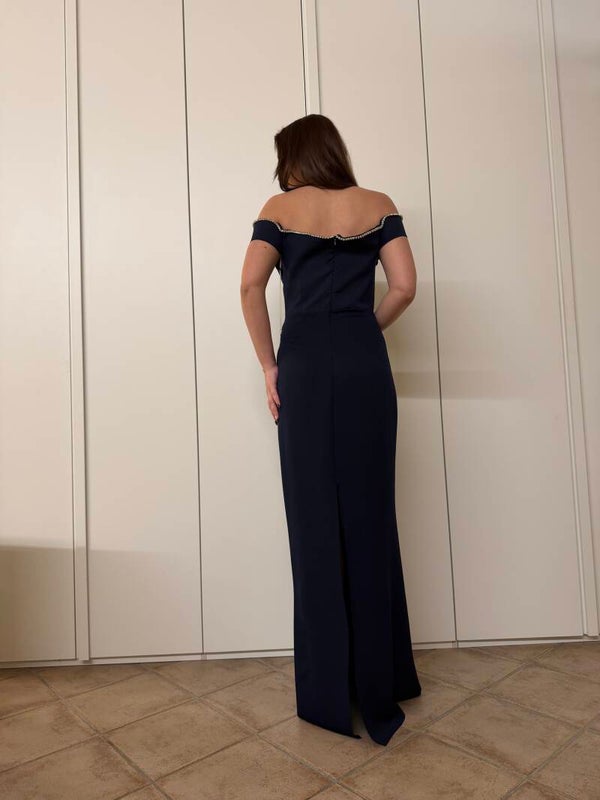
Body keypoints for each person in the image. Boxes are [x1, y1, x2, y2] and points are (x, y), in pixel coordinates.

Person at [240, 114, 421, 746]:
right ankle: (381, 680)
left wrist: (269, 366)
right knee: (370, 516)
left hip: (306, 365)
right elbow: (405, 286)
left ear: (294, 157)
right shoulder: (379, 204)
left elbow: (250, 284)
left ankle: (328, 691)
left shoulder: (279, 208)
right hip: (365, 361)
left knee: (314, 517)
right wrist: (364, 326)